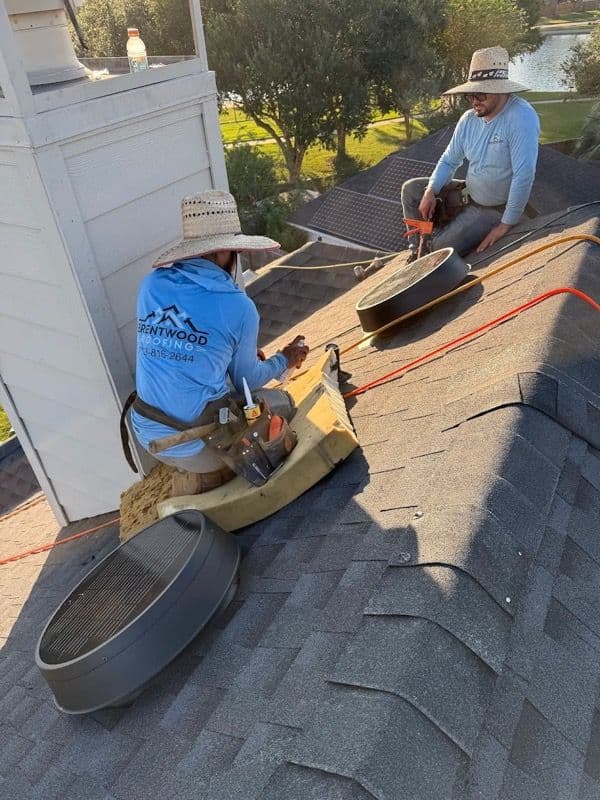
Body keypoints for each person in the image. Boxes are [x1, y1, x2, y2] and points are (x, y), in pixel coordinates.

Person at [126, 189, 309, 491]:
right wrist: (283, 360)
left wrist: (233, 353)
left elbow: (185, 350)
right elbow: (245, 383)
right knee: (282, 403)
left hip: (147, 431)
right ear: (225, 251)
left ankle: (198, 469)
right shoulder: (237, 307)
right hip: (194, 443)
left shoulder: (152, 284)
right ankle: (210, 473)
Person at [401, 46, 540, 258]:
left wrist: (505, 225)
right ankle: (417, 249)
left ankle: (431, 248)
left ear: (500, 90)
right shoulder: (468, 120)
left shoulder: (521, 117)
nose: (474, 100)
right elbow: (449, 161)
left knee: (440, 250)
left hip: (494, 210)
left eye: (481, 94)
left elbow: (524, 175)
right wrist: (431, 191)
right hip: (467, 196)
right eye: (471, 94)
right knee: (411, 190)